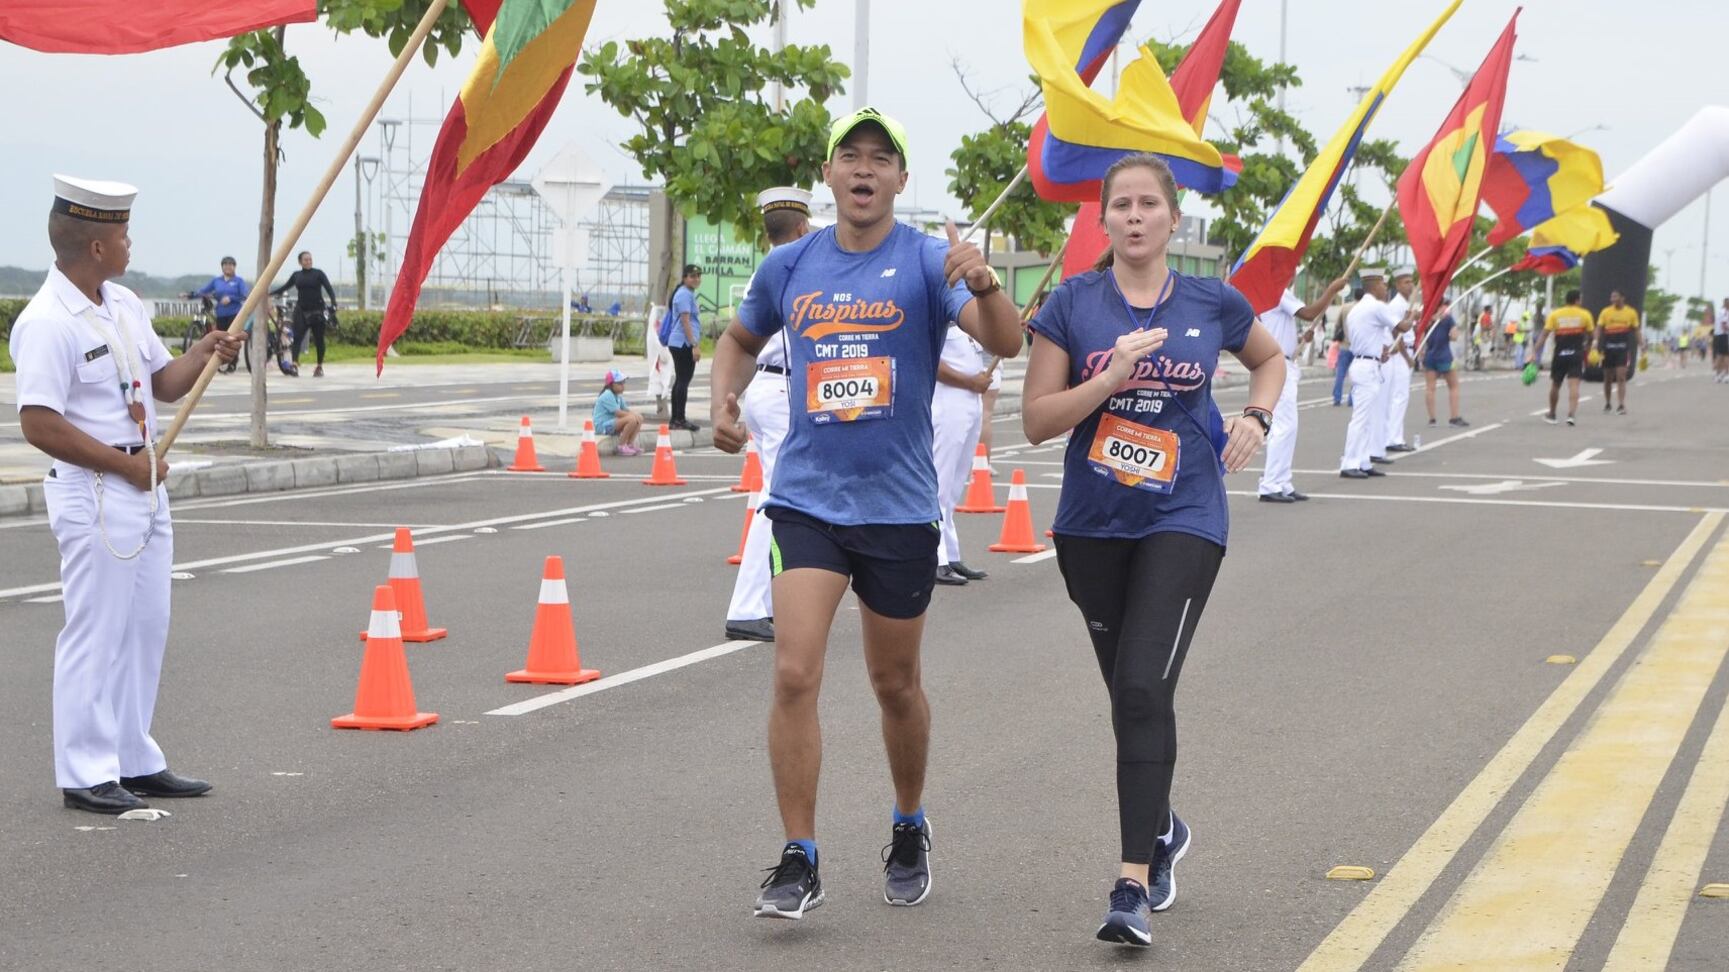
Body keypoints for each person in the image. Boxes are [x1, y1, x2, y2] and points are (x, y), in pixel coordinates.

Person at [707, 106, 1023, 920]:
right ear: (828, 175)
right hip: (807, 499)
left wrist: (983, 283)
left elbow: (1006, 341)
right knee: (791, 672)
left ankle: (909, 822)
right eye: (850, 156)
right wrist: (723, 400)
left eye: (881, 158)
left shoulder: (924, 260)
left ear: (899, 181)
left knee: (893, 684)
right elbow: (738, 339)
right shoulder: (790, 264)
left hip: (897, 508)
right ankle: (798, 856)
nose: (864, 169)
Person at [1022, 153, 1283, 946]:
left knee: (1139, 688)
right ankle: (1162, 825)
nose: (1134, 217)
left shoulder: (1212, 301)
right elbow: (1036, 419)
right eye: (1121, 206)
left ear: (1173, 218)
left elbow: (1268, 358)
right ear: (1104, 221)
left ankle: (1130, 884)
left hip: (1184, 513)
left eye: (1148, 204)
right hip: (1092, 525)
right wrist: (1109, 379)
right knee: (1132, 695)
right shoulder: (1073, 304)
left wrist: (1255, 417)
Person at [11, 175, 244, 814]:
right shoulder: (47, 323)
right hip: (95, 494)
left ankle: (133, 758)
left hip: (142, 491)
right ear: (93, 248)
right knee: (96, 630)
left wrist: (204, 351)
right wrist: (122, 463)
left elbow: (162, 385)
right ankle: (85, 771)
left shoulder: (124, 306)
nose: (130, 243)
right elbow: (39, 422)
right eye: (122, 235)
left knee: (145, 628)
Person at [725, 185, 814, 644]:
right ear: (802, 227)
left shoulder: (768, 270)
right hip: (780, 389)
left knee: (774, 491)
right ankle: (747, 606)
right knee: (778, 498)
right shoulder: (797, 269)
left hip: (767, 385)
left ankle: (765, 599)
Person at [1257, 277, 1347, 503]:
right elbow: (1308, 313)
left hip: (1284, 361)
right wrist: (1331, 290)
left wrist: (1300, 339)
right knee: (1283, 427)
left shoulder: (1273, 293)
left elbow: (1278, 329)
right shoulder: (1276, 291)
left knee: (1289, 427)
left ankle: (1282, 481)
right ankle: (1271, 484)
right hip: (1278, 365)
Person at [932, 323, 992, 581]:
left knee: (955, 484)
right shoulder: (937, 315)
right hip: (948, 400)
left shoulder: (963, 320)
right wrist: (969, 381)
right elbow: (931, 361)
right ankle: (935, 557)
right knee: (940, 484)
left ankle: (951, 554)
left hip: (970, 400)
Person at [1338, 268, 1411, 479]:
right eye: (1383, 285)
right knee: (1362, 418)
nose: (1385, 289)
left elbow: (1366, 337)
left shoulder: (1357, 309)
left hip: (1367, 362)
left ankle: (1362, 461)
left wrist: (1380, 352)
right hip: (1367, 367)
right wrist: (1411, 317)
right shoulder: (1376, 306)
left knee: (1367, 418)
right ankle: (1350, 463)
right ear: (1375, 286)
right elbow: (1402, 327)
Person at [1532, 290, 1595, 426]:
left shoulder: (1555, 315)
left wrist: (1534, 352)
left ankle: (1552, 414)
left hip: (1560, 354)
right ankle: (1571, 414)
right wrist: (1589, 348)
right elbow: (1591, 335)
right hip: (1576, 354)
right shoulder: (1585, 315)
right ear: (1577, 300)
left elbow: (1544, 335)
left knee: (1556, 384)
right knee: (1574, 385)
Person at [270, 250, 337, 376]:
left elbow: (329, 288)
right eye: (306, 259)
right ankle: (294, 364)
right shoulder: (296, 275)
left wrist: (334, 303)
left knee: (319, 340)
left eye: (310, 259)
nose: (309, 261)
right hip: (301, 310)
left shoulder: (319, 274)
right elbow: (285, 287)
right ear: (300, 262)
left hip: (317, 311)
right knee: (297, 338)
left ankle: (319, 366)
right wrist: (270, 293)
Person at [1382, 267, 1418, 454]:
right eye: (1406, 282)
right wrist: (1407, 358)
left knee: (1399, 397)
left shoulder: (1407, 303)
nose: (1410, 285)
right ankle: (1394, 438)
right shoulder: (1396, 305)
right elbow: (1397, 333)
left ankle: (1394, 436)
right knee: (1398, 397)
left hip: (1409, 352)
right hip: (1401, 355)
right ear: (1397, 285)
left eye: (1411, 281)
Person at [665, 264, 703, 431]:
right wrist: (694, 345)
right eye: (692, 276)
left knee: (681, 380)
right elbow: (685, 321)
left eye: (698, 276)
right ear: (684, 278)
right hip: (682, 343)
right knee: (683, 381)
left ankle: (676, 418)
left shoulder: (687, 293)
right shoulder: (684, 295)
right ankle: (679, 418)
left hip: (681, 342)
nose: (696, 279)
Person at [1421, 299, 1469, 427]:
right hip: (1445, 356)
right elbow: (1454, 336)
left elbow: (1421, 334)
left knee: (1430, 388)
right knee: (1454, 386)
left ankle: (1432, 419)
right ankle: (1454, 418)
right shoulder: (1448, 319)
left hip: (1430, 356)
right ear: (1442, 305)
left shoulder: (1427, 319)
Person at [1596, 289, 1640, 415]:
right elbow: (1599, 328)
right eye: (1611, 297)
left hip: (1623, 349)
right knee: (1608, 378)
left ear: (1622, 298)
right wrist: (1595, 342)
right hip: (1608, 348)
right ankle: (1608, 403)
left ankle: (1621, 404)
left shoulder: (1631, 312)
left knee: (1621, 376)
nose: (1612, 299)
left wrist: (1642, 344)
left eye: (1615, 296)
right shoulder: (1605, 312)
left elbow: (1636, 330)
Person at [592, 370, 643, 456]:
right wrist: (633, 416)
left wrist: (636, 415)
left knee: (639, 418)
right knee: (632, 419)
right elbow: (618, 413)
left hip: (612, 423)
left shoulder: (618, 396)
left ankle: (630, 444)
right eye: (620, 384)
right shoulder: (607, 395)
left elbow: (626, 410)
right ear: (611, 385)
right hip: (603, 426)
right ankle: (621, 446)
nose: (623, 386)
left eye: (623, 383)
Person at [1714, 298, 1729, 383]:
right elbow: (1724, 326)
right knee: (1726, 356)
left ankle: (1718, 375)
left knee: (1720, 356)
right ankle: (1726, 374)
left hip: (1720, 335)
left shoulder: (1721, 311)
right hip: (1724, 335)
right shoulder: (1724, 312)